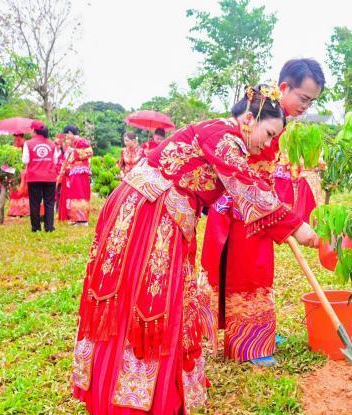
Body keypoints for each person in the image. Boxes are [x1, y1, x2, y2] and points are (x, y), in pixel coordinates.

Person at [71, 85, 318, 414]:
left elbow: (249, 187)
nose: (268, 143)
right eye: (269, 133)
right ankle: (130, 399)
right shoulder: (224, 137)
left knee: (162, 301)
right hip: (151, 212)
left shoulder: (223, 136)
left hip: (155, 210)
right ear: (249, 118)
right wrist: (303, 230)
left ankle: (138, 392)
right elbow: (248, 188)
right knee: (147, 302)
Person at [201, 58, 325, 366]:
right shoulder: (258, 115)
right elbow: (246, 176)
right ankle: (246, 343)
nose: (305, 107)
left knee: (259, 272)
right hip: (239, 213)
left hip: (259, 211)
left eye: (312, 102)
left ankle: (258, 332)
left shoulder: (277, 121)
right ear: (284, 88)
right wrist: (293, 224)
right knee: (243, 273)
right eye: (304, 98)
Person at [23, 121, 59, 232]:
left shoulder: (28, 143)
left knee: (35, 202)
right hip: (50, 177)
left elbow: (25, 160)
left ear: (34, 130)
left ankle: (36, 227)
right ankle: (49, 227)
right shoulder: (52, 144)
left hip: (34, 177)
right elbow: (55, 160)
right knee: (49, 202)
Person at [58, 125, 93, 225]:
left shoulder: (82, 141)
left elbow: (90, 152)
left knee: (80, 194)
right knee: (75, 194)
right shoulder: (75, 143)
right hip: (75, 171)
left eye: (67, 135)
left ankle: (82, 219)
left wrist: (74, 151)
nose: (67, 137)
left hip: (81, 171)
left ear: (70, 133)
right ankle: (76, 218)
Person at [8, 134, 31, 217]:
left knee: (24, 191)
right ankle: (16, 211)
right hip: (16, 171)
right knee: (16, 191)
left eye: (18, 139)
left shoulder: (26, 146)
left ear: (22, 138)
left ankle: (23, 211)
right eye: (15, 138)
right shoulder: (13, 148)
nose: (16, 141)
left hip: (23, 172)